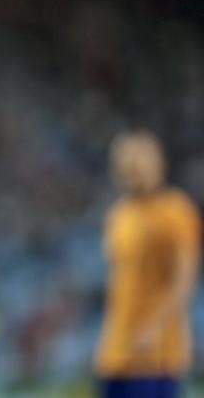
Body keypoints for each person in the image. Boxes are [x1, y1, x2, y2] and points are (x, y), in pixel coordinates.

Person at [95, 130, 201, 398]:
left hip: (155, 356)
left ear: (159, 163)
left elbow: (185, 281)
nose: (133, 167)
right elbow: (117, 284)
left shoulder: (175, 212)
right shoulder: (118, 216)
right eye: (125, 160)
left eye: (141, 159)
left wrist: (154, 329)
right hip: (115, 354)